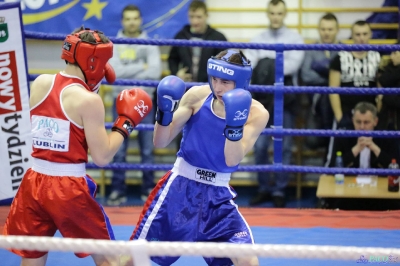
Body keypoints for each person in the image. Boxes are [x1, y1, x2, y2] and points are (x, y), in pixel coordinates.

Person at [2, 27, 153, 266]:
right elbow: (102, 156)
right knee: (111, 258)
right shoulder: (88, 100)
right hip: (67, 189)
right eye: (103, 63)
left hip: (33, 182)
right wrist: (125, 123)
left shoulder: (41, 83)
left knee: (32, 257)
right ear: (93, 62)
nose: (105, 71)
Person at [127, 49, 269, 266]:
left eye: (226, 82)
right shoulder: (196, 96)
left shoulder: (257, 113)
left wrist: (234, 125)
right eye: (214, 79)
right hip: (180, 190)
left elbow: (232, 160)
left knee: (248, 261)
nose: (218, 88)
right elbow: (161, 141)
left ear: (241, 82)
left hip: (218, 197)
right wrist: (163, 113)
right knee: (133, 258)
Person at [245, 0, 305, 207]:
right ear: (268, 14)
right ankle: (263, 189)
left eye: (279, 13)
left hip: (284, 99)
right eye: (273, 13)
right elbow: (250, 66)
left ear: (284, 14)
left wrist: (266, 65)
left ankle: (279, 190)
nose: (276, 17)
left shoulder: (294, 38)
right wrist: (272, 65)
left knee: (284, 146)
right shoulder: (258, 39)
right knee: (259, 145)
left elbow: (292, 66)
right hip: (261, 99)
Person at [107, 4, 162, 205]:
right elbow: (115, 73)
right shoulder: (114, 44)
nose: (131, 22)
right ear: (123, 21)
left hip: (144, 102)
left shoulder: (150, 43)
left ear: (140, 20)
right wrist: (141, 66)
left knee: (147, 148)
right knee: (118, 148)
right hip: (120, 100)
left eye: (135, 18)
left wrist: (128, 70)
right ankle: (117, 190)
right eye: (128, 18)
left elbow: (155, 72)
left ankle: (148, 189)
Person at [327, 20, 381, 165]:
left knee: (374, 150)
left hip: (370, 116)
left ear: (370, 34)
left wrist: (378, 116)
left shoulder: (376, 57)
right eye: (357, 34)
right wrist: (339, 118)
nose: (361, 37)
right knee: (339, 153)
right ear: (352, 35)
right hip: (346, 113)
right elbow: (333, 90)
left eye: (364, 34)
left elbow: (381, 90)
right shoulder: (340, 57)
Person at [301, 13, 339, 150]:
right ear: (319, 30)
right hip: (315, 102)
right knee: (312, 141)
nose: (326, 33)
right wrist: (332, 75)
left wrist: (320, 69)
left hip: (340, 103)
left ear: (337, 30)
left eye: (330, 29)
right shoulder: (311, 50)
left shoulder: (344, 50)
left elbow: (345, 77)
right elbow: (306, 75)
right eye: (323, 29)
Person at [168, 0, 227, 83]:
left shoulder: (218, 38)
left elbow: (225, 65)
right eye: (192, 17)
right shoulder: (181, 36)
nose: (195, 21)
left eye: (199, 17)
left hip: (210, 87)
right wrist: (176, 74)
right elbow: (172, 59)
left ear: (206, 16)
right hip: (186, 86)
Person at [328, 102, 397, 168]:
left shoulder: (386, 136)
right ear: (353, 121)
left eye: (366, 122)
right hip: (349, 179)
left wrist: (374, 148)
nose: (362, 127)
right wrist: (356, 149)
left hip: (378, 179)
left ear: (375, 122)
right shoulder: (343, 135)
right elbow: (333, 167)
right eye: (358, 122)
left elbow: (396, 166)